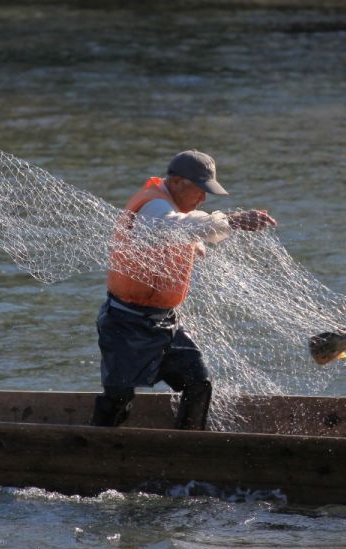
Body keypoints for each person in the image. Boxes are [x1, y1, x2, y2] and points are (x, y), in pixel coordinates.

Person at [91, 150, 276, 430]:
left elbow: (189, 228)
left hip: (166, 323)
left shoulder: (173, 209)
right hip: (126, 323)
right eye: (199, 190)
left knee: (198, 384)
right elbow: (173, 226)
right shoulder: (154, 207)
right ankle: (93, 449)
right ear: (176, 182)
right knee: (118, 398)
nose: (202, 198)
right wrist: (233, 220)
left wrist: (203, 240)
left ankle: (189, 450)